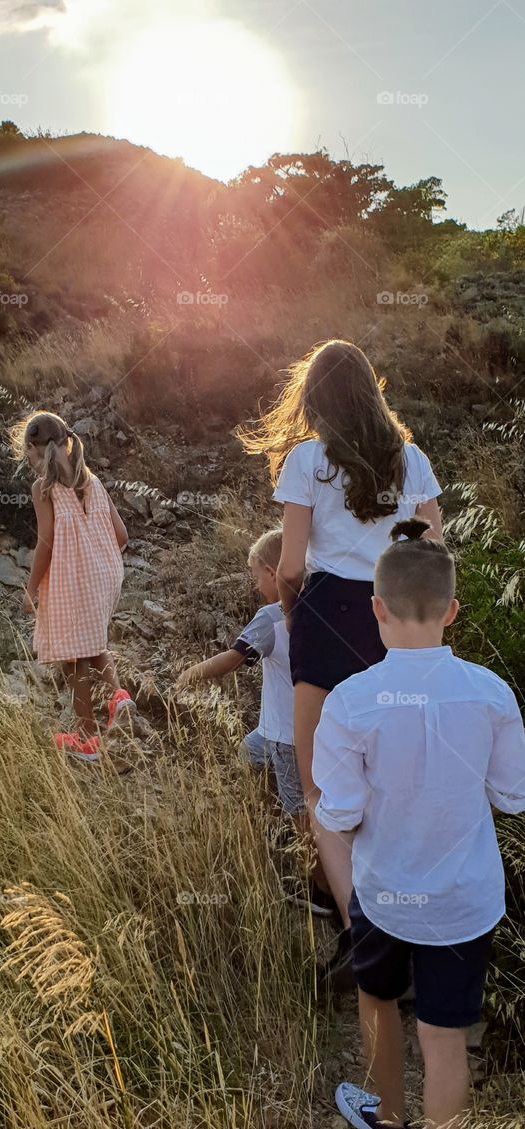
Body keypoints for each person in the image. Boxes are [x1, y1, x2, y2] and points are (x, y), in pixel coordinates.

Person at [312, 518, 525, 1129]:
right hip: (464, 901)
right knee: (446, 1042)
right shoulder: (493, 694)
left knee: (377, 1000)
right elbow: (512, 797)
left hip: (383, 893)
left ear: (375, 606)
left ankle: (388, 1121)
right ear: (453, 610)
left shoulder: (350, 702)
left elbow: (336, 813)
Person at [239, 339, 442, 980]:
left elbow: (291, 565)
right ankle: (406, 928)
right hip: (395, 617)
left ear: (315, 398)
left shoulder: (305, 460)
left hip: (325, 618)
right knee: (394, 785)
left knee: (324, 788)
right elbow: (435, 556)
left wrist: (297, 621)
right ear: (372, 392)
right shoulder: (410, 460)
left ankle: (362, 937)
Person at [177, 529, 327, 900]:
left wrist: (188, 675)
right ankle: (274, 821)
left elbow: (233, 658)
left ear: (274, 573)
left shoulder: (271, 616)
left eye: (256, 574)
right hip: (295, 730)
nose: (254, 583)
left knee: (301, 814)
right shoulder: (319, 608)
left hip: (285, 736)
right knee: (247, 753)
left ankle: (320, 887)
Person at [12, 410, 133, 761]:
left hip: (72, 578)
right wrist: (95, 555)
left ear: (36, 451)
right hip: (105, 573)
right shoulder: (92, 482)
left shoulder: (43, 489)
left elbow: (46, 541)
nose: (29, 462)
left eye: (28, 455)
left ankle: (86, 737)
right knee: (94, 642)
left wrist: (30, 588)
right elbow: (122, 535)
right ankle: (118, 697)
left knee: (75, 658)